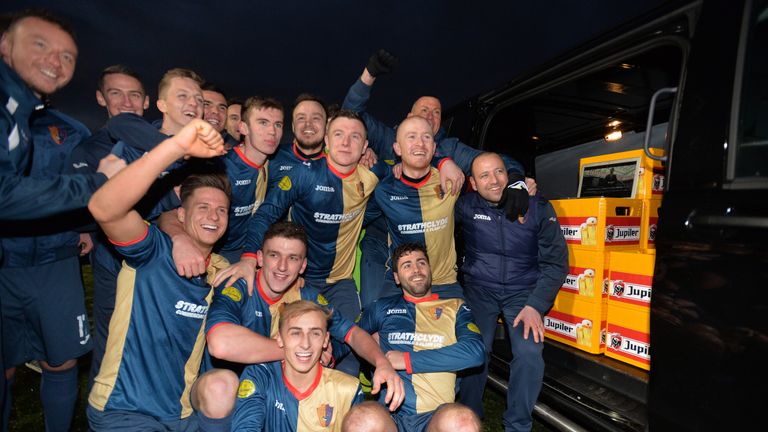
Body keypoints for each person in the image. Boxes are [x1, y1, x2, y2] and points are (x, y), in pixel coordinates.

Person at [0, 10, 124, 429]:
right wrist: (95, 184)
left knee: (63, 358)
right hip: (6, 263)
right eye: (41, 45)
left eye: (67, 56)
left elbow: (82, 178)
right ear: (6, 46)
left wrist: (85, 228)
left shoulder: (69, 129)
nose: (55, 60)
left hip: (56, 259)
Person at [342, 50, 530, 308]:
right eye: (423, 110)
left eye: (436, 112)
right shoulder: (387, 139)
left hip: (428, 249)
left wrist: (516, 178)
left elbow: (488, 161)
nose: (430, 116)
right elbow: (351, 117)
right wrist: (369, 75)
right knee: (377, 311)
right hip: (381, 239)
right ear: (408, 118)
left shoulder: (449, 148)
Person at [86, 119, 229, 431]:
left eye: (222, 211)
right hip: (124, 410)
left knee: (226, 386)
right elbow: (105, 209)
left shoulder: (221, 269)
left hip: (180, 415)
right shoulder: (152, 249)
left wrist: (247, 263)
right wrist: (175, 147)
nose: (213, 217)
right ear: (180, 213)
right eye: (203, 207)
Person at [205, 221, 403, 410]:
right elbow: (220, 344)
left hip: (279, 396)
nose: (282, 266)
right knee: (219, 387)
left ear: (302, 266)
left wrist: (381, 362)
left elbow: (352, 333)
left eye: (292, 258)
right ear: (260, 258)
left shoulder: (306, 295)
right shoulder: (238, 286)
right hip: (234, 394)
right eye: (274, 255)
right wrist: (304, 352)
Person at [456, 152, 568, 432]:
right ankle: (469, 416)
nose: (493, 181)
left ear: (509, 174)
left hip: (523, 293)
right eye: (484, 176)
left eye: (499, 172)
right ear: (472, 182)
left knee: (530, 353)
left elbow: (556, 263)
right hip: (480, 290)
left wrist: (535, 305)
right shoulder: (465, 207)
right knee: (474, 349)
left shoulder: (537, 207)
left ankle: (517, 425)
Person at [67, 63, 153, 387]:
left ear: (147, 101)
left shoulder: (161, 144)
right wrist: (87, 229)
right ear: (101, 98)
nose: (127, 102)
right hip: (113, 260)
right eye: (116, 94)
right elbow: (78, 209)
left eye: (135, 95)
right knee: (111, 348)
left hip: (162, 257)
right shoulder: (88, 151)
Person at [359, 243, 485, 432]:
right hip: (391, 418)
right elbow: (351, 335)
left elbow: (475, 353)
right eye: (406, 265)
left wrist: (406, 360)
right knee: (361, 421)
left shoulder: (455, 307)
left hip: (436, 417)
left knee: (464, 422)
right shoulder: (381, 308)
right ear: (396, 278)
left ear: (430, 270)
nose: (416, 269)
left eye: (421, 263)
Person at [231, 300, 364, 431]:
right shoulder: (260, 376)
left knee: (374, 417)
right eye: (295, 333)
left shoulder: (348, 389)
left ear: (325, 340)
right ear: (280, 338)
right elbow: (245, 426)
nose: (305, 344)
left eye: (315, 333)